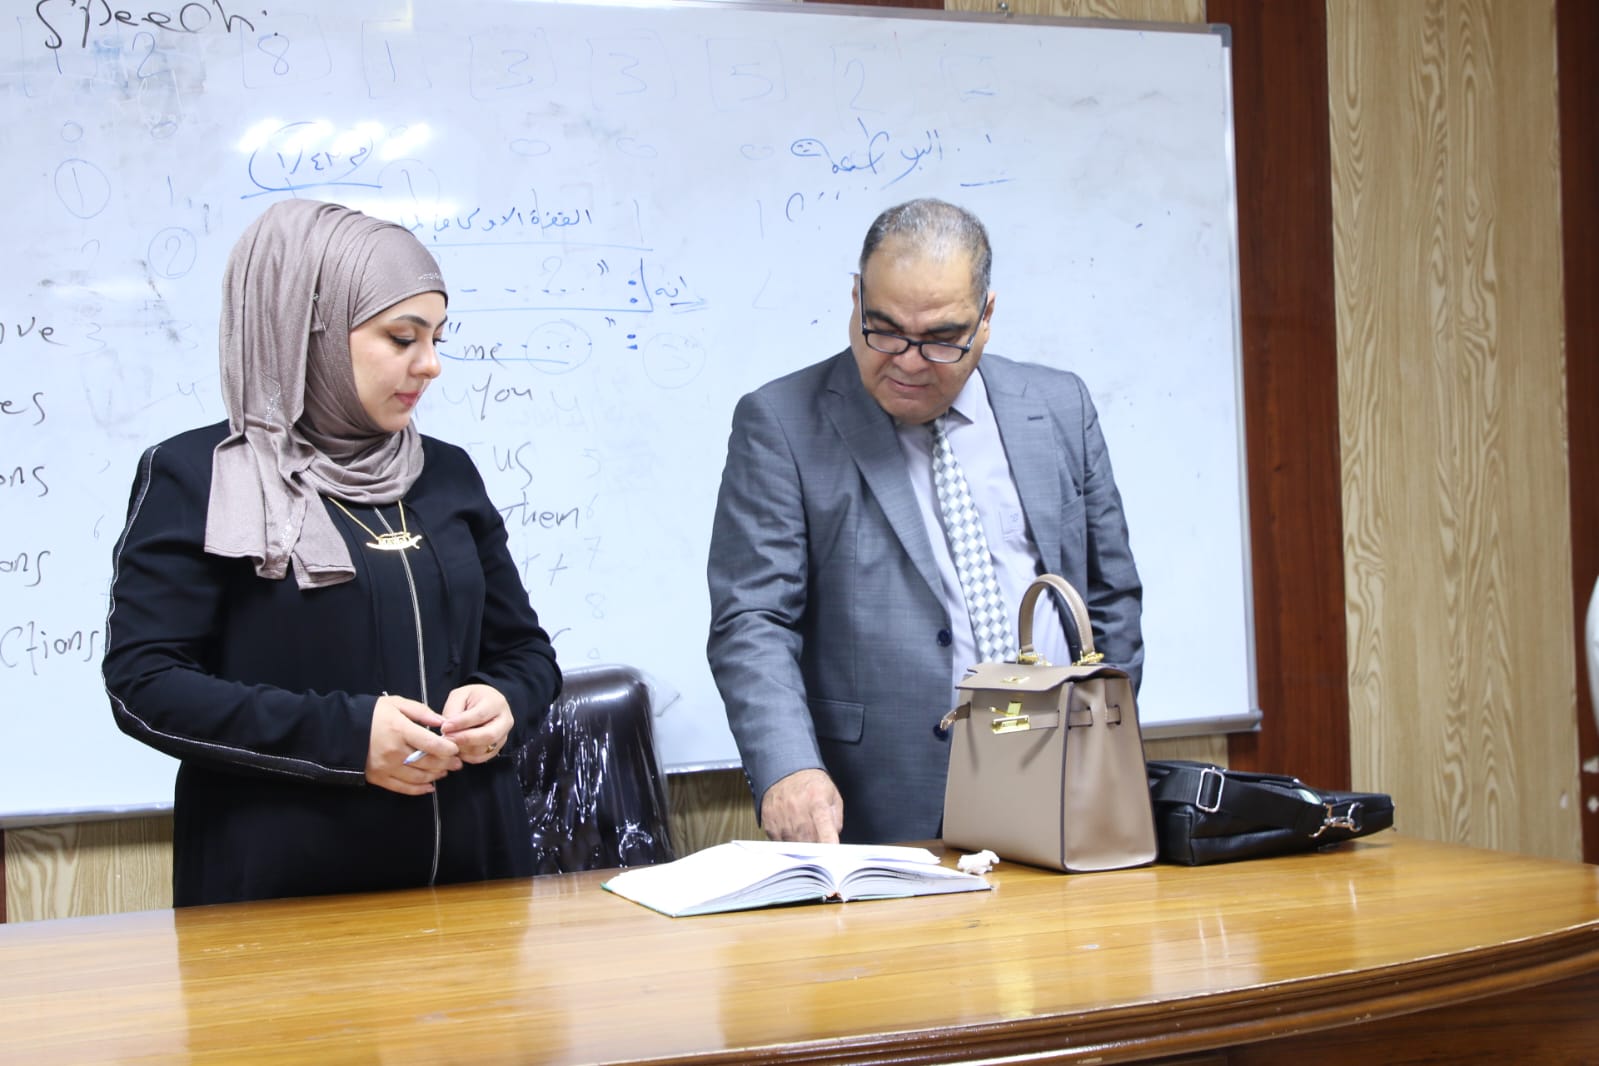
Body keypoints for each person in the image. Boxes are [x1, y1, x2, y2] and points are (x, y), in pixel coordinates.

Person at [102, 199, 562, 906]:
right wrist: (347, 737)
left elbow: (525, 651)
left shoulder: (446, 473)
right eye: (402, 337)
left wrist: (506, 703)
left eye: (436, 337)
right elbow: (146, 685)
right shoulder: (201, 476)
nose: (430, 365)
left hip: (477, 875)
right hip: (285, 890)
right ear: (305, 330)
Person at [707, 198, 1142, 846]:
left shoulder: (1058, 406)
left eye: (940, 339)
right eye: (883, 330)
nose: (908, 361)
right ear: (855, 299)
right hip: (882, 799)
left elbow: (1109, 594)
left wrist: (1102, 739)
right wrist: (788, 768)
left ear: (985, 317)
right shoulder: (782, 423)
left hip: (1061, 783)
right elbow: (753, 619)